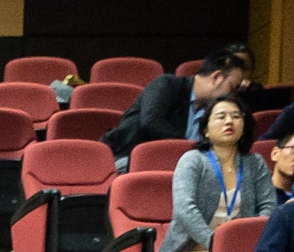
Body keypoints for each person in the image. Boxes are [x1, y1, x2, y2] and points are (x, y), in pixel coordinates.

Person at [156, 91, 274, 252]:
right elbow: (185, 209)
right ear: (206, 130)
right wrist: (219, 246)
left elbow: (268, 207)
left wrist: (247, 244)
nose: (229, 121)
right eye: (221, 116)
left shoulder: (255, 163)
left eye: (236, 116)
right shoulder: (193, 160)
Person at [104, 45, 247, 163]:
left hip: (180, 167)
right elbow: (151, 122)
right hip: (129, 159)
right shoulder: (167, 85)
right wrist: (194, 147)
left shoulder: (213, 110)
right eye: (232, 88)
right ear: (216, 77)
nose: (232, 96)